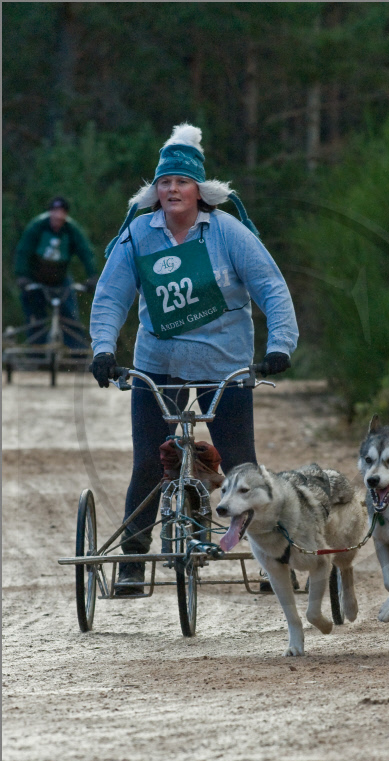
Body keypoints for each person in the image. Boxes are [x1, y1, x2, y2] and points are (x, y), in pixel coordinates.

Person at [89, 123, 299, 595]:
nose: (172, 189)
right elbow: (110, 297)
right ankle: (133, 561)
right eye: (164, 182)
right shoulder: (139, 235)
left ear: (199, 190)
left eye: (181, 182)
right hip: (155, 364)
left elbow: (271, 287)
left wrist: (280, 345)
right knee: (148, 462)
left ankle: (272, 557)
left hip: (225, 364)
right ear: (155, 191)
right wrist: (103, 348)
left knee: (242, 464)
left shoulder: (228, 232)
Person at [14, 197, 98, 348]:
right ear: (49, 212)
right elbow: (23, 251)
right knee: (35, 319)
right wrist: (22, 275)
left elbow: (86, 252)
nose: (58, 216)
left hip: (61, 280)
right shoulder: (37, 227)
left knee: (70, 318)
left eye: (62, 212)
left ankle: (76, 356)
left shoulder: (71, 230)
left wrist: (93, 276)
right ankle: (37, 356)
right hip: (35, 279)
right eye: (55, 212)